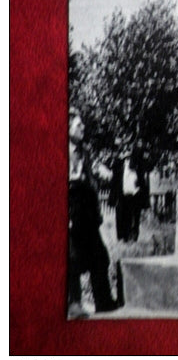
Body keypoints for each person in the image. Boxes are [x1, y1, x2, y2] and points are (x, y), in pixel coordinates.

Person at [68, 108, 117, 317]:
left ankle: (104, 303)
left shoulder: (85, 151)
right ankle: (74, 304)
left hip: (87, 213)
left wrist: (97, 212)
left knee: (99, 257)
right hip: (71, 212)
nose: (83, 128)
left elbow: (91, 183)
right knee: (71, 260)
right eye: (78, 125)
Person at [108, 140, 150, 243]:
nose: (127, 156)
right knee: (122, 216)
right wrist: (113, 198)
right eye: (125, 153)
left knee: (135, 217)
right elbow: (114, 181)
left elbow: (143, 181)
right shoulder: (118, 165)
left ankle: (133, 237)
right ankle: (122, 238)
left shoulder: (139, 166)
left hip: (135, 194)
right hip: (122, 195)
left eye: (130, 154)